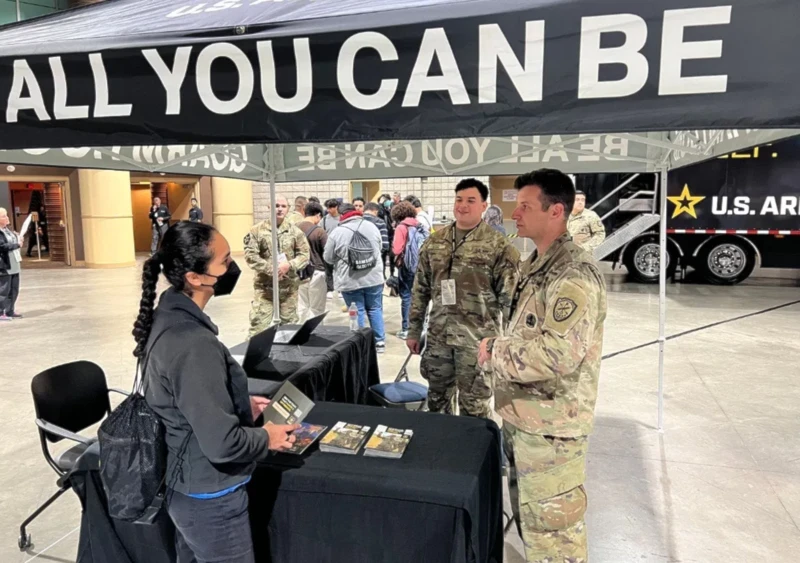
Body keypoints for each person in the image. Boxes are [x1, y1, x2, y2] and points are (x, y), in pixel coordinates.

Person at [136, 221, 299, 563]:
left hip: (186, 484)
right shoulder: (194, 344)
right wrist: (266, 437)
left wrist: (238, 404)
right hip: (208, 495)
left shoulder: (168, 314)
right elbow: (223, 444)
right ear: (195, 277)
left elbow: (183, 399)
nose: (232, 268)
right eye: (225, 262)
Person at [478, 169, 607, 563]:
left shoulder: (572, 274)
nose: (515, 214)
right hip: (527, 419)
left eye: (525, 207)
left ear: (556, 212)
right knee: (532, 524)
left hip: (552, 429)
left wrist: (494, 350)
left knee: (554, 536)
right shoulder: (537, 264)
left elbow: (558, 354)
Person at [408, 178, 519, 418]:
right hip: (439, 337)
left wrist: (509, 346)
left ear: (483, 206)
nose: (463, 206)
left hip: (477, 341)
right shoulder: (435, 242)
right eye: (459, 199)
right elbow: (420, 289)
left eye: (471, 200)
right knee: (437, 402)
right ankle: (440, 451)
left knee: (475, 407)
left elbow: (511, 301)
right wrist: (414, 330)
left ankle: (476, 454)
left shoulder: (499, 246)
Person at [323, 203, 386, 353]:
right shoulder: (372, 227)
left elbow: (328, 258)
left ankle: (361, 342)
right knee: (375, 308)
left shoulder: (337, 232)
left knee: (357, 310)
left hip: (350, 279)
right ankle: (379, 342)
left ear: (341, 214)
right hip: (374, 278)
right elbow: (381, 246)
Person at [244, 196, 310, 336]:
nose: (280, 209)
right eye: (276, 205)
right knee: (259, 327)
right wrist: (271, 269)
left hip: (288, 289)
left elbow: (304, 255)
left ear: (288, 209)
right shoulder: (257, 230)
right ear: (269, 207)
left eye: (283, 206)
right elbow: (251, 256)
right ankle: (255, 357)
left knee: (290, 328)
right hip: (265, 289)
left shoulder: (295, 232)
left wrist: (289, 265)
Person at [390, 202, 422, 339]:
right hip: (421, 266)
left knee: (407, 296)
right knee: (420, 297)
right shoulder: (420, 225)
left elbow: (397, 249)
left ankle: (406, 328)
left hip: (407, 266)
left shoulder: (401, 227)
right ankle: (420, 327)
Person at [296, 201, 328, 322]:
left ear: (304, 212)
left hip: (299, 272)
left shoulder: (294, 229)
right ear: (318, 215)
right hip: (317, 272)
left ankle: (300, 333)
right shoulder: (319, 231)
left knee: (302, 307)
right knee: (317, 309)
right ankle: (315, 335)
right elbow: (327, 253)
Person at [0, 207, 23, 321]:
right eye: (4, 216)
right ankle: (1, 312)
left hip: (14, 264)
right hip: (4, 265)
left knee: (14, 289)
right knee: (4, 290)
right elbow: (2, 247)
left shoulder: (8, 230)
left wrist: (19, 239)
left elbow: (13, 243)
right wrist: (17, 245)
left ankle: (9, 310)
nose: (7, 218)